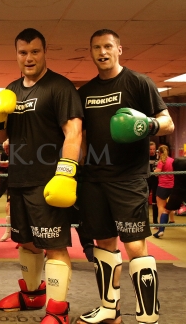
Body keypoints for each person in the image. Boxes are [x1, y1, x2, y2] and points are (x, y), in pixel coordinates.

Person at [76, 29, 174, 324]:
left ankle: (148, 315)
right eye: (96, 47)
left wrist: (147, 125)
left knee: (135, 246)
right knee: (103, 243)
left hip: (128, 178)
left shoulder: (139, 82)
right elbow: (80, 138)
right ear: (91, 52)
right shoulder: (85, 92)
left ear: (119, 49)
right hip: (93, 178)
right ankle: (109, 309)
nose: (102, 52)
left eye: (108, 46)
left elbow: (167, 121)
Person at [0, 28, 83, 324]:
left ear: (44, 52)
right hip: (19, 178)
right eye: (22, 52)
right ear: (16, 54)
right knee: (27, 242)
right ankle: (32, 295)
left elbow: (74, 131)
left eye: (34, 51)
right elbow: (1, 134)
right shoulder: (12, 89)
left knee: (54, 246)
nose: (28, 58)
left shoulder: (60, 87)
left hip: (48, 182)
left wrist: (66, 173)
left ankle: (58, 310)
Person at [153, 144, 175, 238]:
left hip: (163, 186)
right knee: (170, 205)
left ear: (159, 152)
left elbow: (157, 173)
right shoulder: (173, 160)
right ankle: (172, 220)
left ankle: (160, 227)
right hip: (172, 186)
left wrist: (154, 171)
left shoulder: (162, 161)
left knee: (161, 206)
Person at [148, 141, 159, 224]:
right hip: (146, 180)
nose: (152, 151)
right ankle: (145, 220)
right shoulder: (144, 158)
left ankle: (155, 221)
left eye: (153, 149)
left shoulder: (158, 157)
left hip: (156, 180)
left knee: (155, 200)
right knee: (144, 200)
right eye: (150, 149)